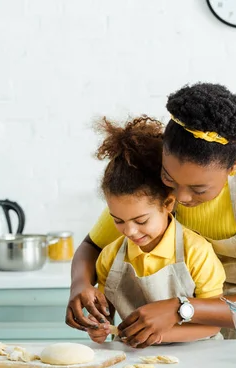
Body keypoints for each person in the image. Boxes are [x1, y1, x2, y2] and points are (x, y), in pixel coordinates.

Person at [66, 82, 236, 347]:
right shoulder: (154, 167)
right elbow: (92, 247)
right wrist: (80, 286)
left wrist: (180, 309)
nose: (181, 198)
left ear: (233, 167)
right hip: (203, 293)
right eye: (169, 179)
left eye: (199, 189)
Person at [84, 115, 226, 346]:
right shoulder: (109, 258)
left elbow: (212, 323)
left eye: (140, 221)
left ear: (168, 204)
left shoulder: (196, 252)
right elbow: (106, 317)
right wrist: (99, 328)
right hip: (137, 357)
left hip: (201, 356)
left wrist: (159, 336)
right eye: (118, 220)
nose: (129, 230)